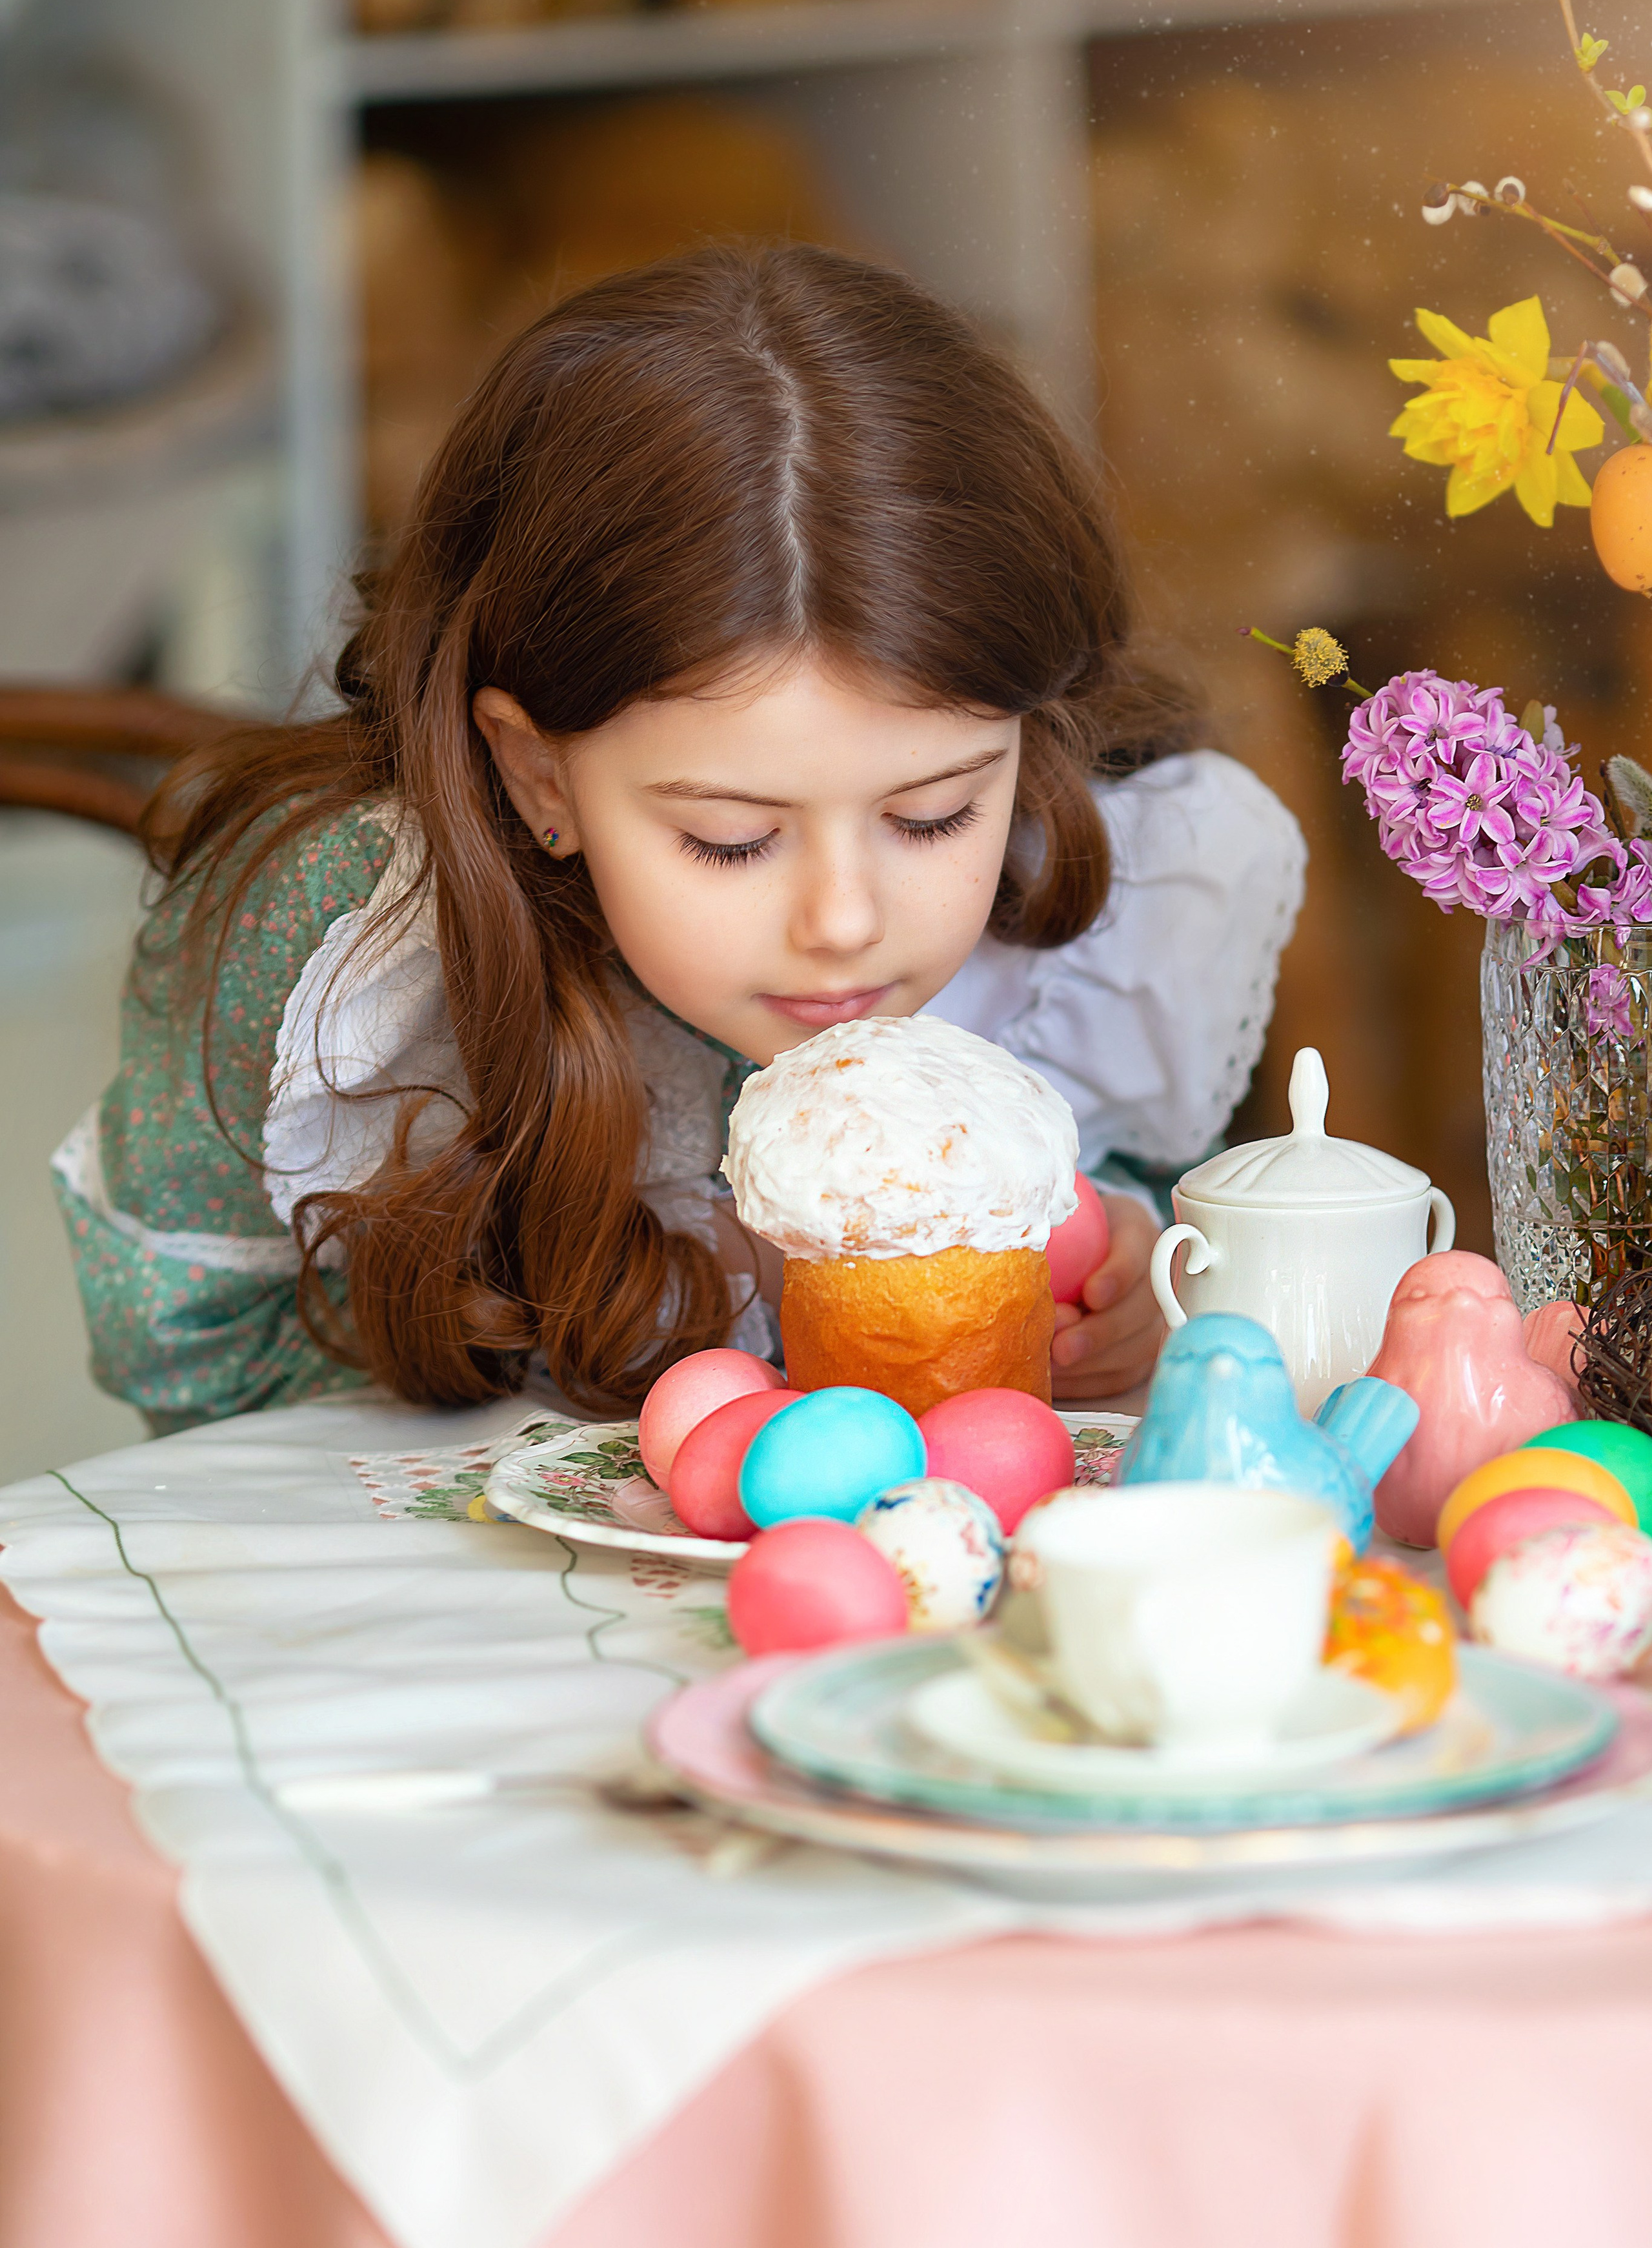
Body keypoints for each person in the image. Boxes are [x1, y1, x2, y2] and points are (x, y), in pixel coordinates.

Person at [54, 243, 1304, 1435]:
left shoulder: (1108, 883)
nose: (845, 921)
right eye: (728, 840)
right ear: (536, 768)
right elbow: (195, 1365)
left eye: (932, 816)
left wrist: (1133, 1273)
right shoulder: (341, 952)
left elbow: (1134, 1171)